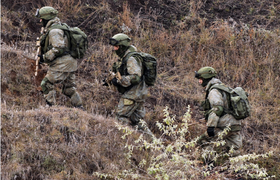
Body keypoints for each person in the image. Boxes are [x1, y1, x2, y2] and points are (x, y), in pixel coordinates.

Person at [35, 6, 84, 109]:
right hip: (70, 62)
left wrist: (44, 57)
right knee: (69, 88)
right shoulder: (60, 26)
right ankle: (80, 108)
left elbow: (58, 48)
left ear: (47, 18)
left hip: (62, 63)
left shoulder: (55, 31)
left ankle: (51, 108)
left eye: (41, 18)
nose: (40, 21)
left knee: (46, 83)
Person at [106, 33, 152, 135]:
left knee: (121, 116)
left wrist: (119, 80)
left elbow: (135, 77)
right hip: (139, 92)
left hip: (134, 93)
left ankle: (126, 139)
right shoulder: (125, 56)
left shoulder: (131, 58)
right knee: (138, 121)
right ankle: (154, 144)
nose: (114, 49)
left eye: (116, 46)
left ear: (122, 47)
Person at [195, 66, 242, 156]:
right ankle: (238, 169)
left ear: (206, 78)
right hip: (235, 124)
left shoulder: (214, 91)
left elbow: (217, 109)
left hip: (223, 124)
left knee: (205, 141)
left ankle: (208, 165)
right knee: (235, 150)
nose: (199, 81)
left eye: (200, 79)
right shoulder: (224, 88)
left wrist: (211, 127)